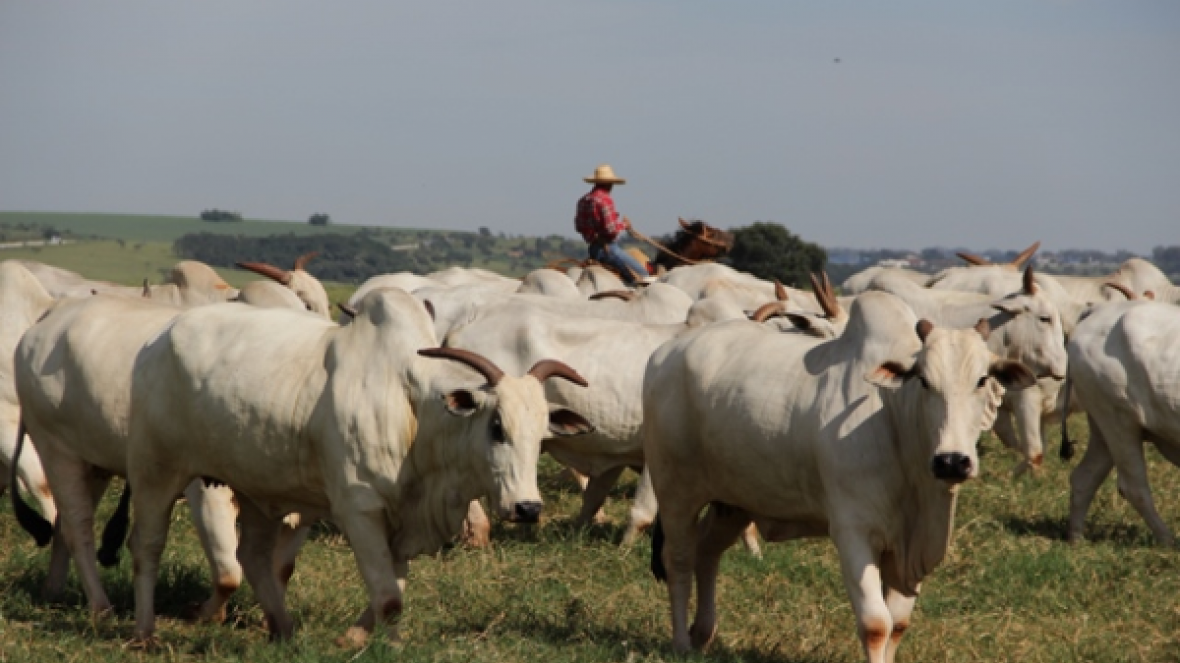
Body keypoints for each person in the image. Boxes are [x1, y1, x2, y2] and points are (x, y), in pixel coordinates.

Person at [574, 164, 650, 285]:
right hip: (608, 249)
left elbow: (578, 227)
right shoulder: (605, 200)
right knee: (645, 276)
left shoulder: (583, 200)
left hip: (593, 249)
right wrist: (624, 225)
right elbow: (611, 230)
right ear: (610, 184)